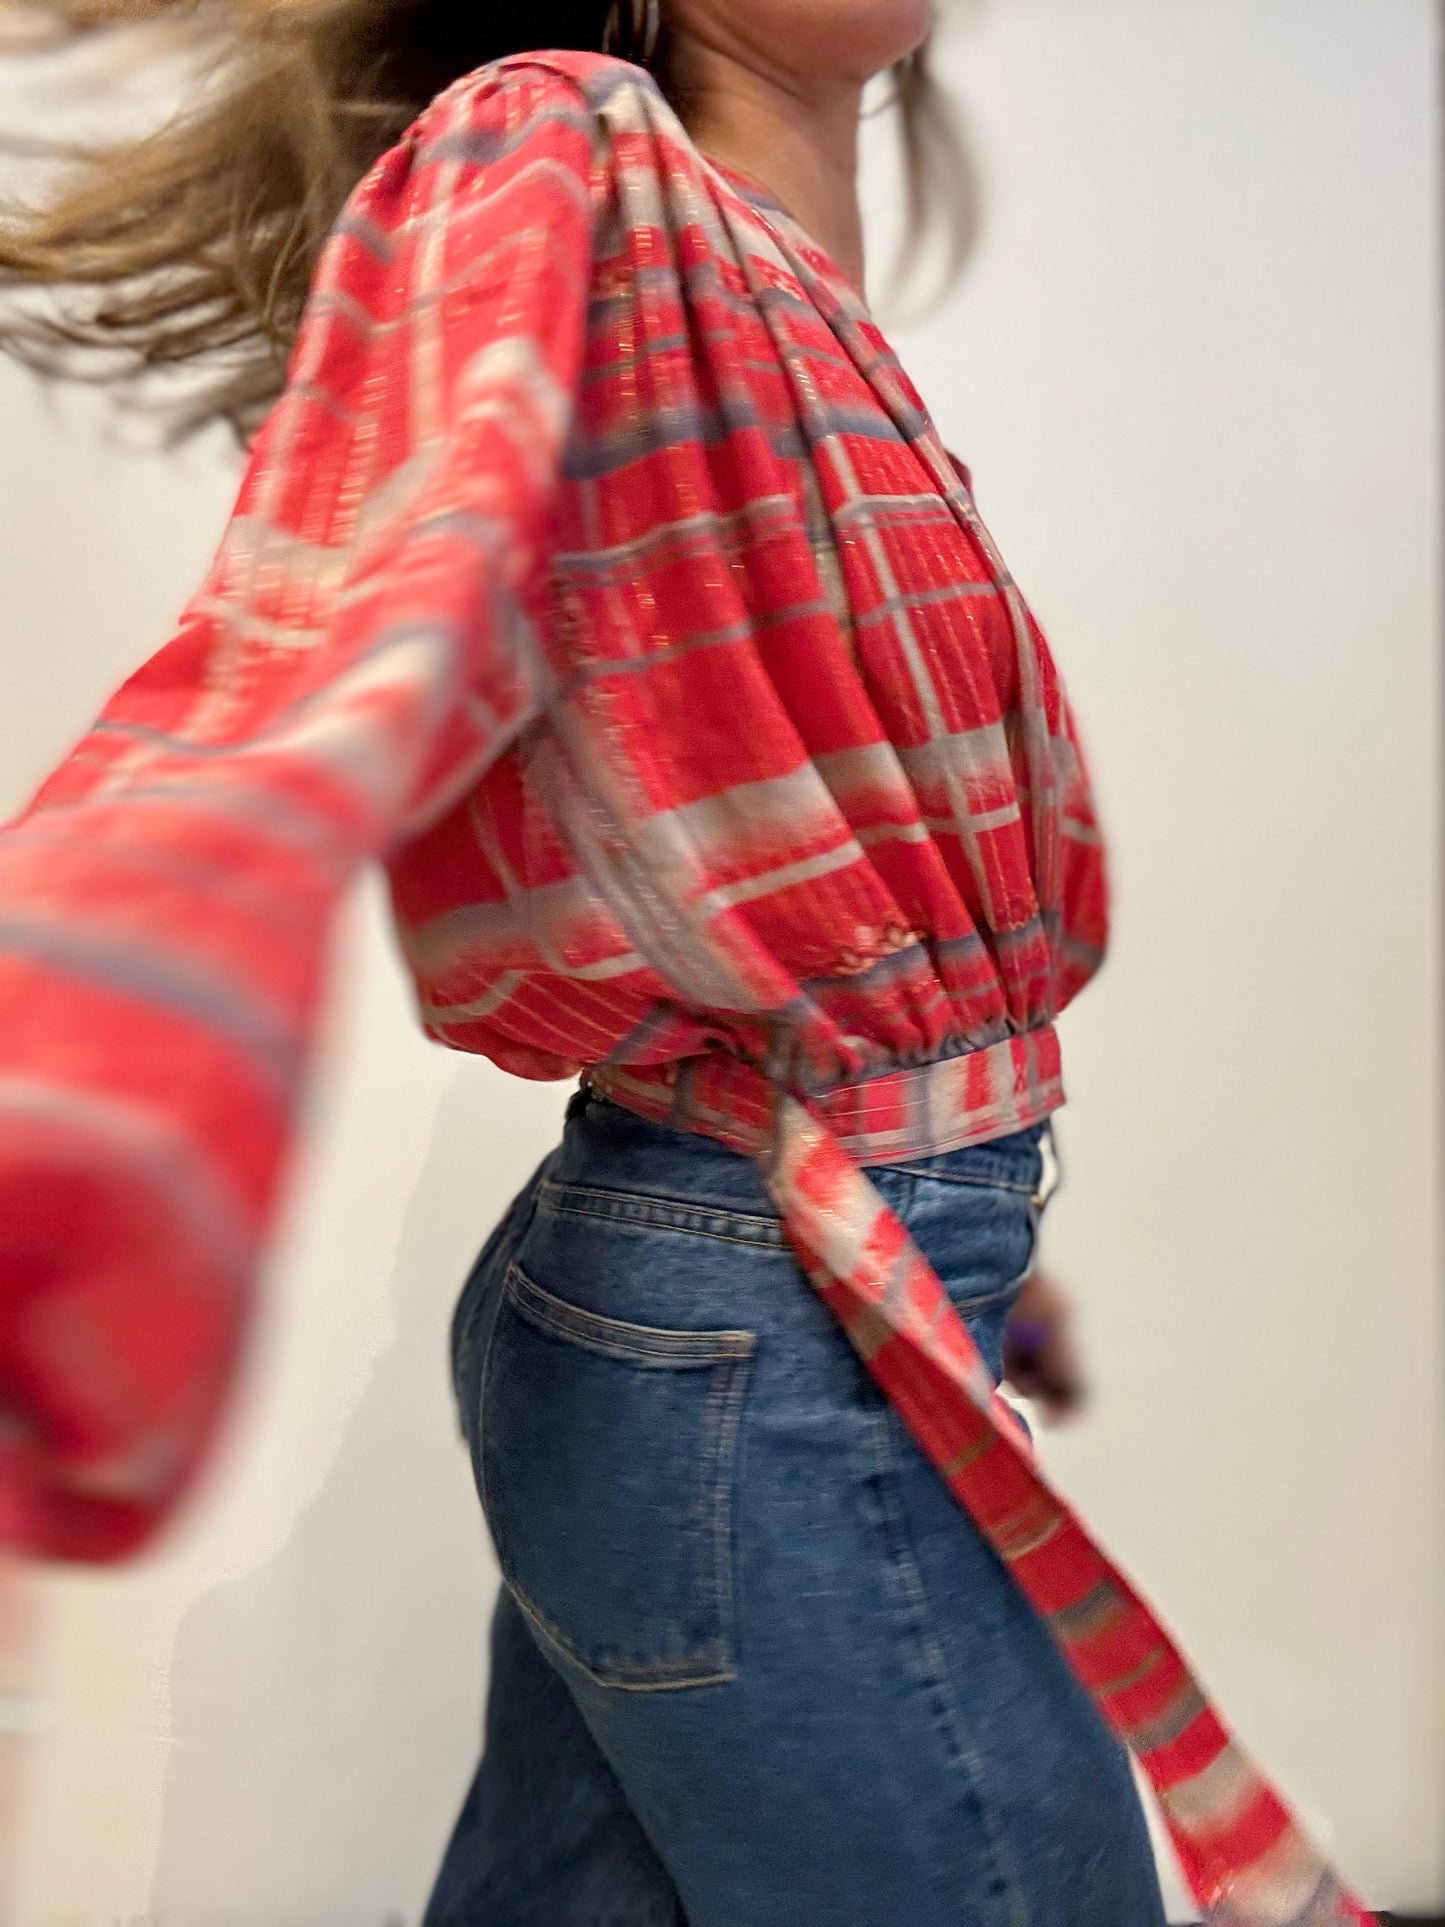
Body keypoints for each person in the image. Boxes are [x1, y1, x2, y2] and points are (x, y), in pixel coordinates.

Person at [0, 4, 1373, 1923]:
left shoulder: (749, 255)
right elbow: (357, 615)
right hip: (751, 1335)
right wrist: (83, 1063)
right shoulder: (543, 137)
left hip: (775, 1300)